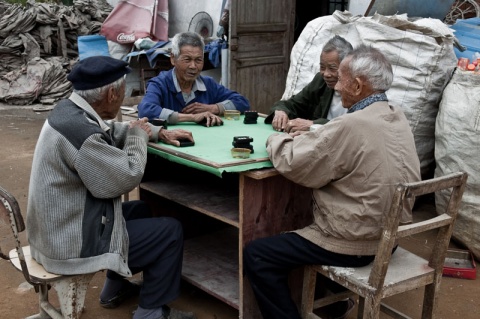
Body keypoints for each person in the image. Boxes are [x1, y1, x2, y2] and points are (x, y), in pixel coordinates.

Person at [243, 45, 421, 319]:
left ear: (359, 85)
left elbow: (294, 162)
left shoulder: (351, 125)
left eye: (341, 79)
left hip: (355, 245)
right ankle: (334, 305)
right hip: (390, 238)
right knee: (310, 227)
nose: (336, 86)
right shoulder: (397, 115)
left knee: (259, 254)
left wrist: (275, 138)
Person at [26, 56, 196, 319]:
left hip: (54, 230)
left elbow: (105, 131)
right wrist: (138, 138)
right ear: (112, 93)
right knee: (170, 231)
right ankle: (151, 312)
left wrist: (155, 132)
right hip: (67, 244)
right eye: (123, 91)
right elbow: (126, 176)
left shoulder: (68, 112)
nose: (123, 96)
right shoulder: (81, 133)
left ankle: (114, 288)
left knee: (139, 209)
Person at [138, 31, 250, 127]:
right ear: (173, 59)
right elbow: (146, 110)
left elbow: (242, 102)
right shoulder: (159, 84)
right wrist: (192, 117)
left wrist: (213, 108)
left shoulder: (208, 84)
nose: (193, 66)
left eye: (198, 60)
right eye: (187, 59)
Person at [265, 35, 353, 133]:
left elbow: (351, 126)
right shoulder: (321, 81)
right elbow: (293, 104)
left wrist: (313, 124)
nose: (326, 74)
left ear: (346, 67)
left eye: (332, 68)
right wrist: (280, 111)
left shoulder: (359, 89)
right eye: (322, 67)